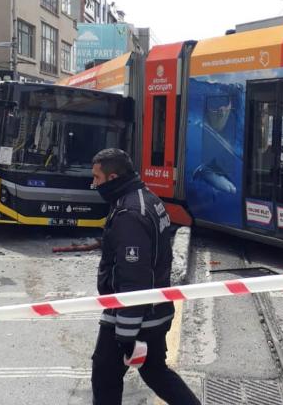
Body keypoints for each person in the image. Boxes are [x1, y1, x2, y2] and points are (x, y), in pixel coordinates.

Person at [90, 148, 200, 405]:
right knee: (155, 372)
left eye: (97, 178)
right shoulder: (146, 197)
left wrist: (126, 335)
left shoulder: (130, 214)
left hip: (132, 316)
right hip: (154, 312)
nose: (94, 184)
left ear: (113, 176)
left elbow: (134, 277)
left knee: (105, 377)